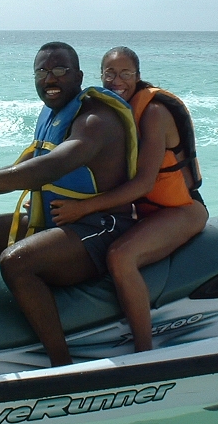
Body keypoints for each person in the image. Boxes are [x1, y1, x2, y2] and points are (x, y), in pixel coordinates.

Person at [0, 42, 138, 366]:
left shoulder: (94, 121)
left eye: (59, 70)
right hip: (57, 221)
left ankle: (60, 364)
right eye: (42, 71)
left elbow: (48, 168)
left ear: (79, 76)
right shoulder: (54, 114)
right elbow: (26, 162)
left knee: (17, 262)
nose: (50, 78)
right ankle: (0, 325)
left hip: (99, 228)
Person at [49, 46, 207, 353]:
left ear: (138, 76)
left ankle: (143, 352)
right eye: (110, 72)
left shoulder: (154, 113)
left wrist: (82, 207)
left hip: (182, 210)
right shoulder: (111, 109)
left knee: (120, 257)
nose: (116, 80)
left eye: (125, 73)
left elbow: (144, 183)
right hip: (144, 210)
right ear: (100, 75)